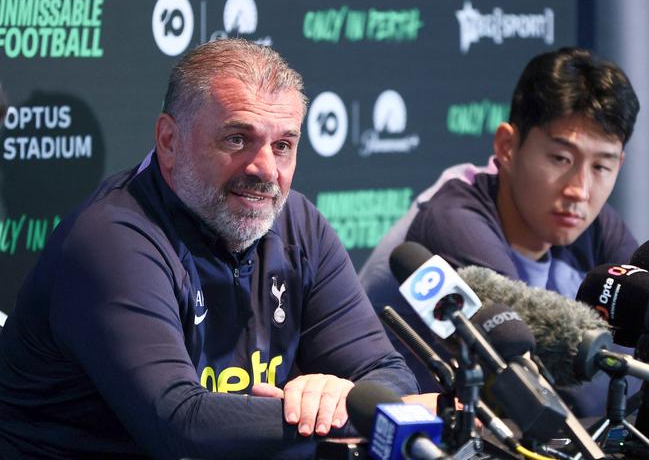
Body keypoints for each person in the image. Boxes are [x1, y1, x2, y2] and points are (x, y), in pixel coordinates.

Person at [0, 39, 418, 459]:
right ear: (168, 140)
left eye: (283, 145)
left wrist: (343, 396)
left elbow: (390, 374)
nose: (266, 170)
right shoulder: (112, 239)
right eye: (237, 139)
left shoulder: (298, 225)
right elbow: (180, 423)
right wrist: (343, 412)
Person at [359, 47, 640, 417]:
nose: (580, 190)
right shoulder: (452, 220)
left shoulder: (593, 221)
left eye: (601, 167)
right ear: (507, 146)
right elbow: (531, 381)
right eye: (561, 159)